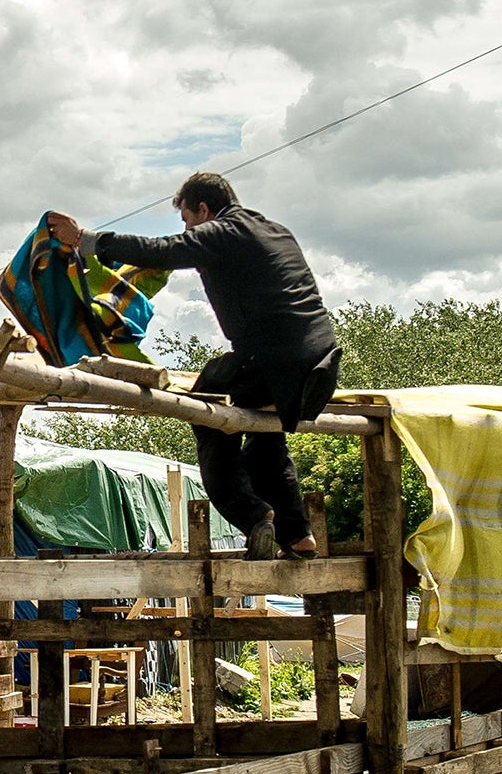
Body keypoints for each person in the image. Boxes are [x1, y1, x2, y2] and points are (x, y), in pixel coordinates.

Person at [47, 172, 341, 560]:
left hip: (271, 364)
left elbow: (163, 249)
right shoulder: (276, 231)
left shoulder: (223, 231)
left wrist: (84, 240)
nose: (187, 229)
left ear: (203, 209)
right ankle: (299, 536)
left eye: (187, 220)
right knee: (264, 443)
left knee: (206, 410)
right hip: (319, 368)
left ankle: (253, 516)